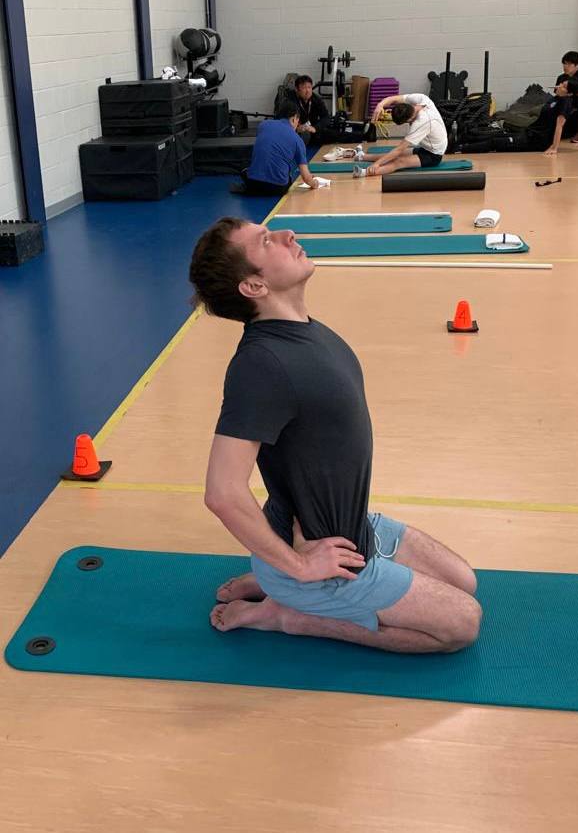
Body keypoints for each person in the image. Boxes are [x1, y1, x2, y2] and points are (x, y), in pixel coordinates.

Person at [188, 217, 482, 653]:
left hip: (350, 528)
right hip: (325, 565)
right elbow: (222, 493)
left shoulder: (304, 330)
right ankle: (289, 611)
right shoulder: (261, 365)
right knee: (462, 625)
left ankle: (274, 579)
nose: (288, 236)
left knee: (464, 581)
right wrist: (298, 565)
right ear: (253, 286)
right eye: (267, 241)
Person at [351, 93, 448, 177]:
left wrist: (376, 164)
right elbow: (393, 99)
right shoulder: (421, 99)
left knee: (398, 162)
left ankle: (364, 172)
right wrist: (380, 105)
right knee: (389, 155)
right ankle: (361, 156)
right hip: (426, 148)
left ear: (409, 120)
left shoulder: (421, 122)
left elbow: (399, 149)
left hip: (434, 155)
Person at [238, 101, 319, 195]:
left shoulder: (263, 125)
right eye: (298, 121)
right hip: (278, 188)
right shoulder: (298, 140)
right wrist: (314, 183)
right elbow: (306, 177)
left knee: (244, 164)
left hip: (253, 185)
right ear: (294, 119)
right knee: (288, 174)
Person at [292, 75, 329, 146]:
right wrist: (296, 128)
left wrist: (315, 128)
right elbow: (283, 120)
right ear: (297, 89)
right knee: (304, 135)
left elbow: (326, 117)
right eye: (304, 88)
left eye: (309, 87)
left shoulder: (316, 99)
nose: (307, 91)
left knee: (332, 134)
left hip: (312, 129)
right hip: (296, 131)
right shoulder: (290, 101)